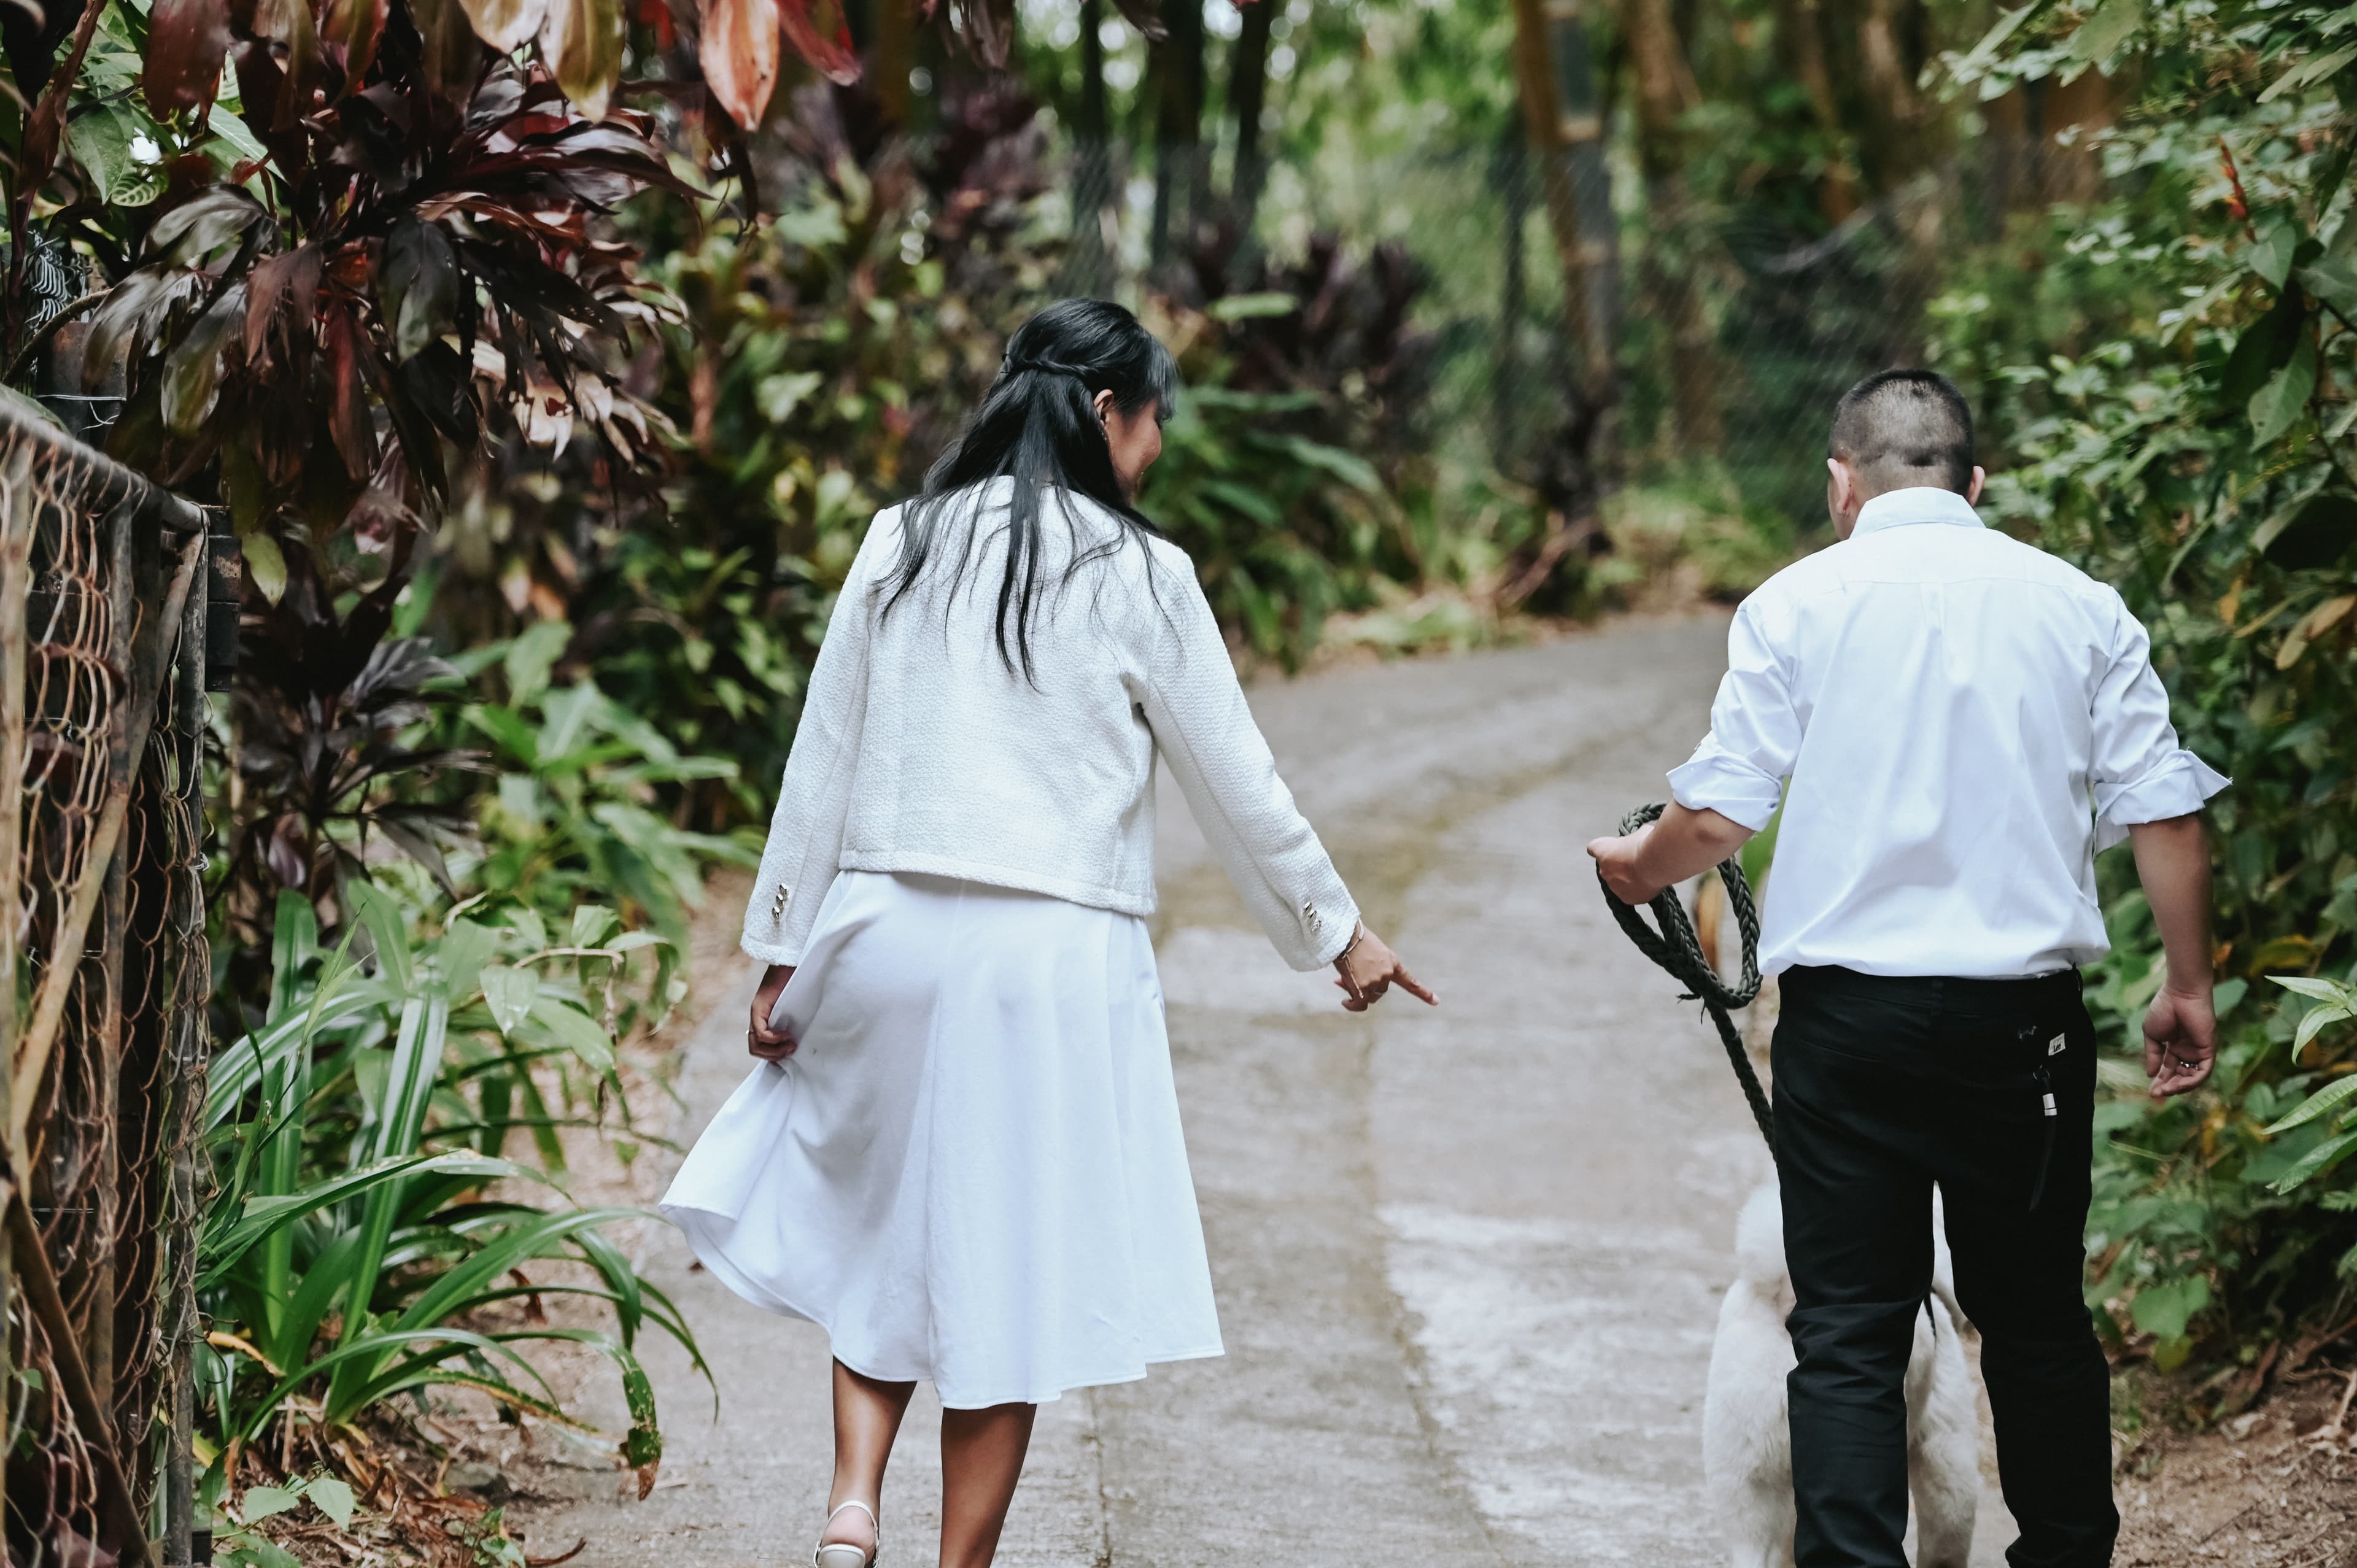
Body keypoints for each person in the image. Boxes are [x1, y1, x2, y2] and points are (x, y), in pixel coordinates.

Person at [660, 298, 1434, 1568]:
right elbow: (1235, 779)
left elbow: (824, 760)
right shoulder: (1143, 573)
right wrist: (1335, 934)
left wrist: (782, 944)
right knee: (1003, 1278)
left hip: (884, 929)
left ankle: (854, 1511)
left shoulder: (898, 543)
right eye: (1155, 422)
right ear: (1107, 414)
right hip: (1054, 958)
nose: (1161, 449)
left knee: (878, 1227)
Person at [1587, 368, 2225, 1568]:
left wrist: (1640, 866)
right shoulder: (2082, 606)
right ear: (1974, 483)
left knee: (1849, 1333)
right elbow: (2169, 819)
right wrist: (2185, 986)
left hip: (1848, 1034)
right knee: (2037, 1324)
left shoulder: (1792, 605)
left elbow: (1715, 820)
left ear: (1843, 482)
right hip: (2024, 1033)